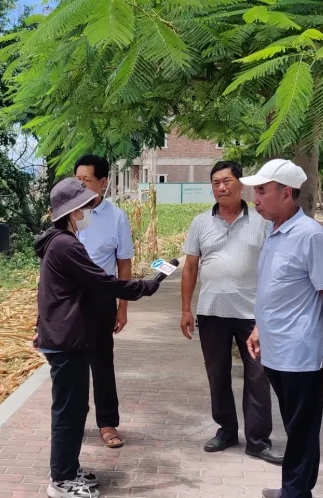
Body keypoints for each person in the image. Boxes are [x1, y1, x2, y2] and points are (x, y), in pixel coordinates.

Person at [33, 177, 161, 498]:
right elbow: (102, 282)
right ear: (72, 211)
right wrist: (145, 287)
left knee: (75, 409)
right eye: (84, 207)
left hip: (65, 336)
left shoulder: (59, 242)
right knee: (69, 411)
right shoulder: (65, 245)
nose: (88, 211)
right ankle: (61, 480)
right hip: (66, 340)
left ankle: (68, 468)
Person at [239, 159, 323, 498]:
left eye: (262, 191)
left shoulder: (310, 235)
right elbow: (276, 290)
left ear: (286, 194)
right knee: (295, 425)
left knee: (302, 429)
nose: (255, 198)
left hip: (300, 352)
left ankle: (294, 492)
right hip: (275, 350)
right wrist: (259, 327)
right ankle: (297, 489)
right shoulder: (273, 232)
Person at [179, 161, 282, 464]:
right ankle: (226, 431)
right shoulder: (201, 222)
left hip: (252, 315)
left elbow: (273, 268)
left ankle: (258, 441)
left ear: (241, 184)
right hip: (211, 312)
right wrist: (186, 309)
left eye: (226, 181)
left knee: (258, 376)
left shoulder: (261, 222)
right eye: (215, 183)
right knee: (217, 375)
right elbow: (190, 268)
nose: (221, 187)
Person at [72, 154, 135, 449]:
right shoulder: (66, 213)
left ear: (103, 182)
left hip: (100, 298)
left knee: (101, 363)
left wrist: (123, 307)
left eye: (86, 180)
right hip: (68, 299)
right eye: (77, 179)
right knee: (69, 364)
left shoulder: (116, 217)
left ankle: (107, 423)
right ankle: (72, 421)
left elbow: (124, 264)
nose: (80, 185)